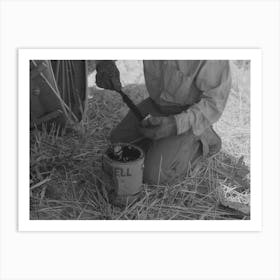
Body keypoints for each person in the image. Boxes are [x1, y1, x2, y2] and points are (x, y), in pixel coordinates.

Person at [95, 60, 232, 185]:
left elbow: (214, 103)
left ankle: (204, 138)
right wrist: (104, 62)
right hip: (156, 105)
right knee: (118, 141)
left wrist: (175, 125)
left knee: (153, 176)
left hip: (187, 114)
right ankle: (165, 147)